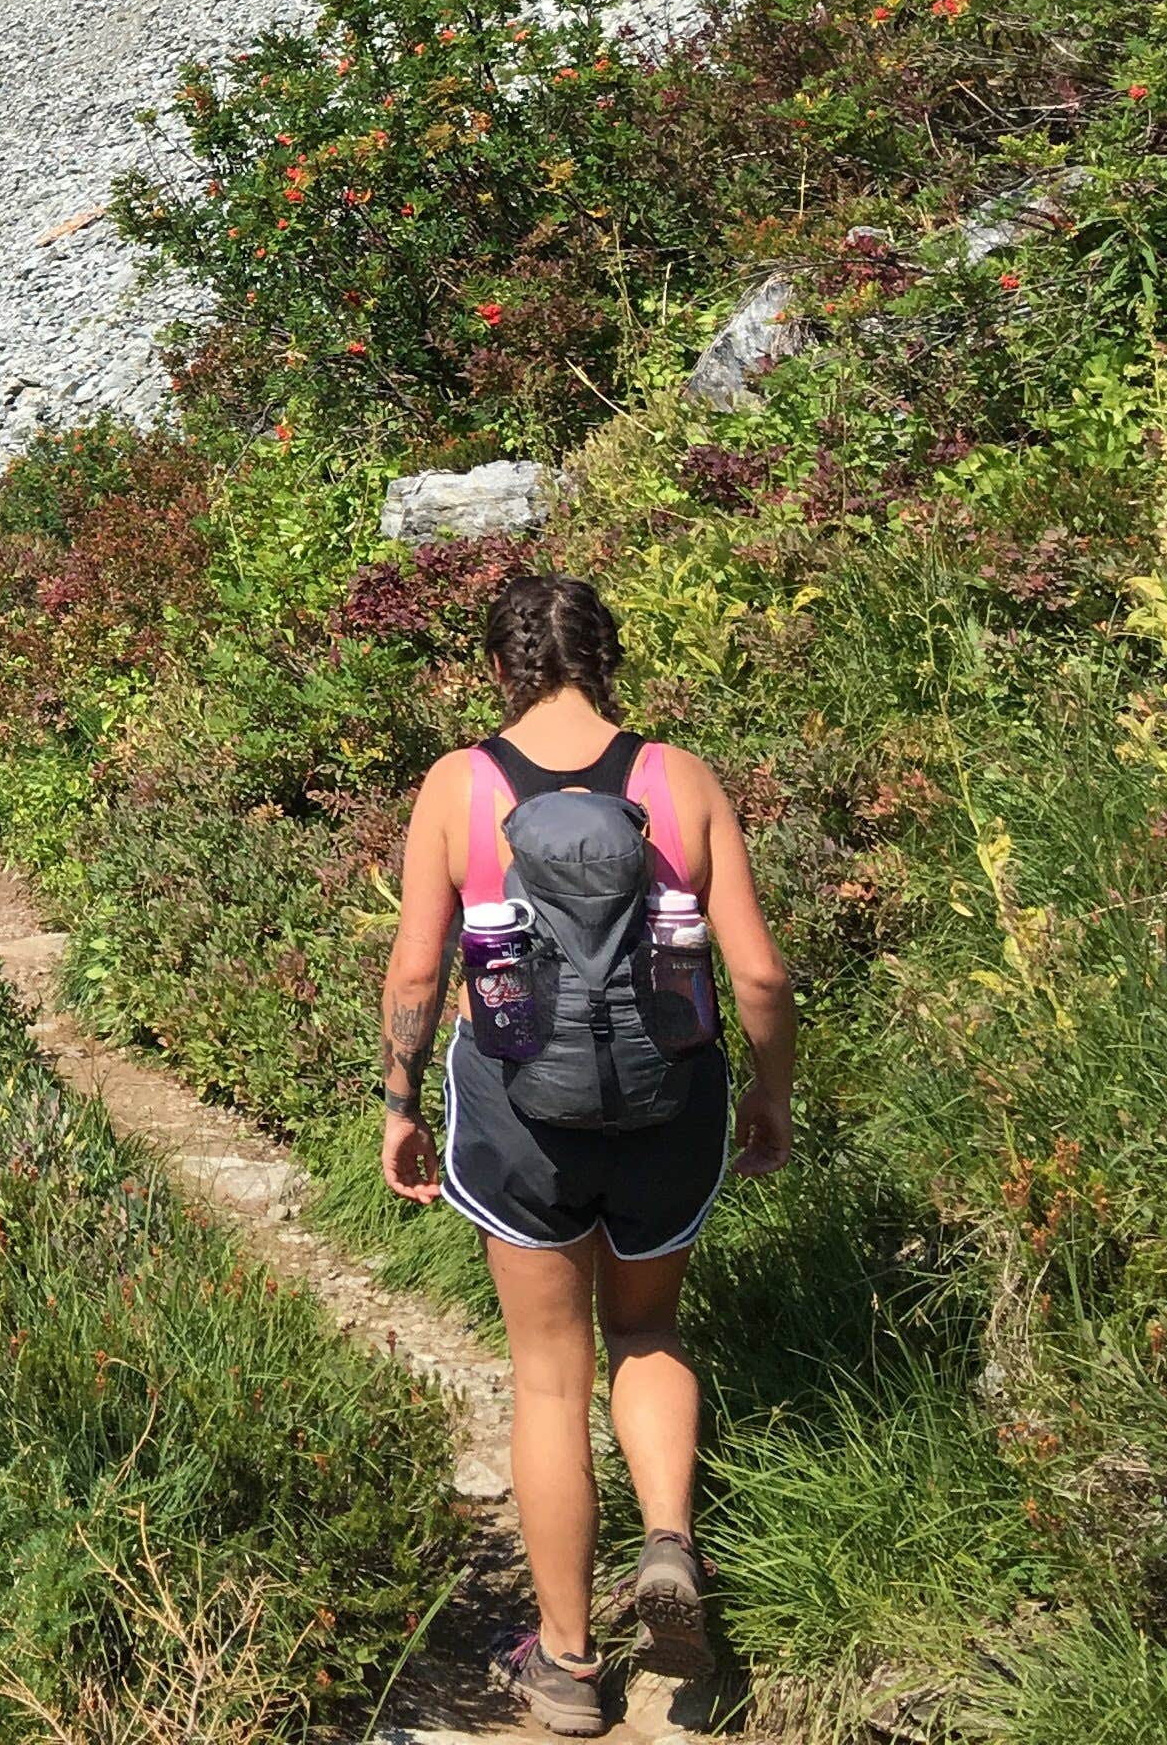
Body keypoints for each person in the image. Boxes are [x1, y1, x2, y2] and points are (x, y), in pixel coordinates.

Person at [379, 573, 793, 1735]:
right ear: (609, 658)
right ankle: (668, 1541)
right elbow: (757, 974)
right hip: (671, 1104)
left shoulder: (460, 785)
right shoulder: (678, 779)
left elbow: (418, 973)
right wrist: (769, 1091)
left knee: (550, 1375)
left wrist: (401, 1100)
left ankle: (565, 1666)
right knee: (648, 1329)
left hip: (520, 1116)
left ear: (498, 666)